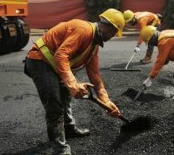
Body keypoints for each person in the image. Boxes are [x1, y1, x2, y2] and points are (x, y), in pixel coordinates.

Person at [24, 8, 126, 155]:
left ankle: (69, 129)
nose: (114, 36)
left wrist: (106, 101)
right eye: (115, 32)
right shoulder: (84, 30)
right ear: (110, 27)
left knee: (66, 97)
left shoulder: (93, 47)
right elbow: (61, 55)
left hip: (56, 65)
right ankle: (60, 149)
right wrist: (72, 83)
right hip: (40, 61)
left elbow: (95, 77)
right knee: (55, 107)